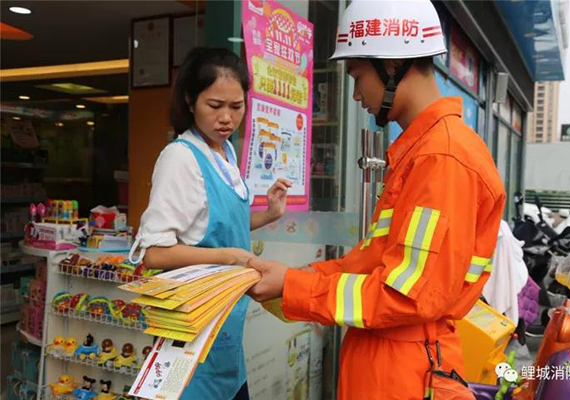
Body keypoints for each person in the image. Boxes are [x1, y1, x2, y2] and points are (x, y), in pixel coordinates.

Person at [247, 1, 506, 399]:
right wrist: (289, 281)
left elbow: (403, 296)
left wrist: (295, 286)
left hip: (404, 372)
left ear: (390, 66)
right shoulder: (427, 154)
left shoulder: (442, 159)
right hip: (395, 363)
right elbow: (368, 266)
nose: (354, 95)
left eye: (357, 75)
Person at [129, 47, 291, 400]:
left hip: (224, 331)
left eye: (237, 107)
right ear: (190, 101)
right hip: (190, 333)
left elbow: (214, 230)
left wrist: (268, 215)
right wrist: (232, 258)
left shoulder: (225, 152)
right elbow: (154, 253)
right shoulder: (180, 158)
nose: (227, 119)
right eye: (215, 106)